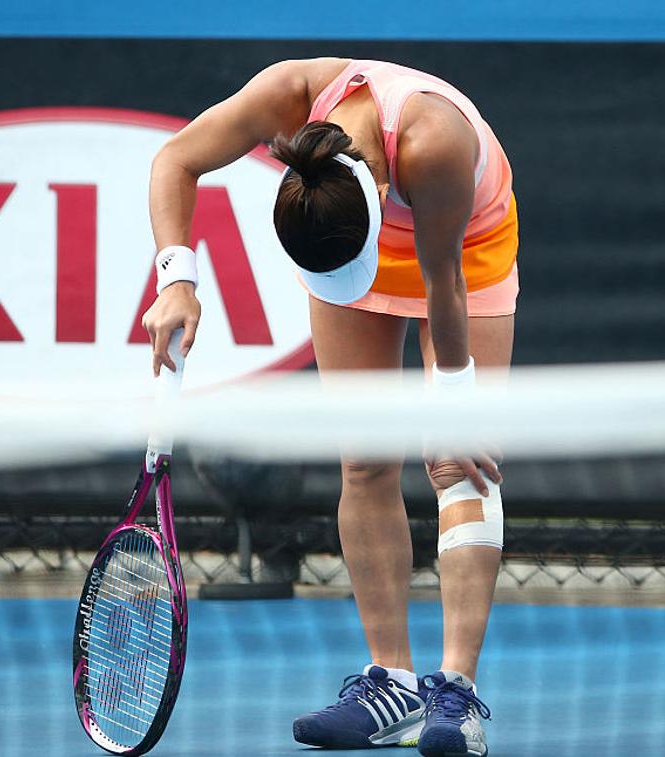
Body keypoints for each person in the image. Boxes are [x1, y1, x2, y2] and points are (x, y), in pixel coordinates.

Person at [141, 58, 516, 757]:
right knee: (365, 457)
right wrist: (177, 277)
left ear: (377, 185)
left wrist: (456, 402)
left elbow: (447, 287)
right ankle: (394, 686)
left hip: (461, 247)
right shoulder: (289, 97)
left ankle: (456, 694)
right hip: (349, 232)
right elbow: (176, 159)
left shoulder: (434, 142)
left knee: (458, 461)